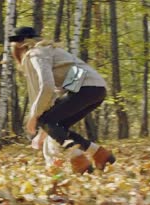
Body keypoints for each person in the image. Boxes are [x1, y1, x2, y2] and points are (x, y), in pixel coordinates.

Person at [9, 26, 115, 174]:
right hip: (97, 90)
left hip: (86, 89)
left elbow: (46, 87)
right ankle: (99, 153)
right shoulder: (52, 51)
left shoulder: (34, 54)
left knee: (44, 119)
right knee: (58, 126)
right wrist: (44, 131)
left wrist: (34, 116)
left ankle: (79, 159)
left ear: (18, 47)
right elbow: (66, 87)